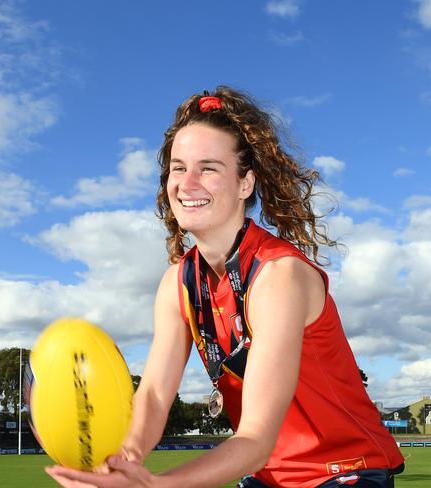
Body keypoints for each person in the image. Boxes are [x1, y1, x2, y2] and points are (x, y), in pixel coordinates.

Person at [46, 87, 405, 488]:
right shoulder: (177, 283)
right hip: (266, 477)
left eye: (209, 168)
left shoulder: (278, 275)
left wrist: (153, 486)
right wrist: (119, 464)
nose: (187, 183)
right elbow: (153, 398)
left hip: (344, 471)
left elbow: (255, 438)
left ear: (245, 183)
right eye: (178, 168)